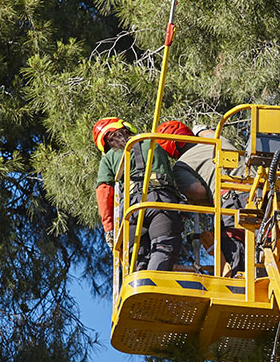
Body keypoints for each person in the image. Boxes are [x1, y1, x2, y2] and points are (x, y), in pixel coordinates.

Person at [156, 121, 249, 276]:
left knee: (234, 242)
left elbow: (197, 191)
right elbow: (207, 132)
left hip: (232, 200)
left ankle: (236, 281)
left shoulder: (181, 166)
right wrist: (200, 130)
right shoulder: (218, 139)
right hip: (262, 192)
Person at [94, 117, 183, 272]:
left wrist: (109, 229)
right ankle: (152, 283)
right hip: (160, 203)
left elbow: (104, 193)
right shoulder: (153, 142)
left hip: (131, 210)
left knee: (137, 258)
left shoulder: (108, 159)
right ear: (126, 127)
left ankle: (141, 282)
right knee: (163, 248)